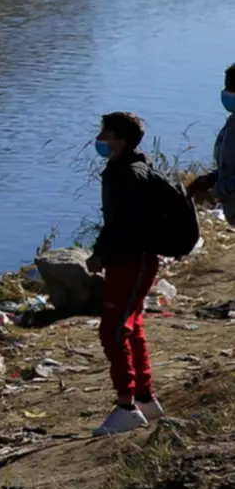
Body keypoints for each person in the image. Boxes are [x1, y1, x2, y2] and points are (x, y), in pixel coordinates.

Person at [89, 111, 166, 436]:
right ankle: (145, 398)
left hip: (132, 262)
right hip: (133, 261)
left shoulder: (126, 175)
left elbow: (123, 225)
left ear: (120, 140)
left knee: (114, 331)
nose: (100, 140)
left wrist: (99, 254)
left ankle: (126, 406)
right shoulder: (130, 167)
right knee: (131, 327)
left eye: (105, 134)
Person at [186, 64, 235, 209]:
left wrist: (215, 192)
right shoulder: (232, 121)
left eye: (231, 88)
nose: (225, 92)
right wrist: (210, 179)